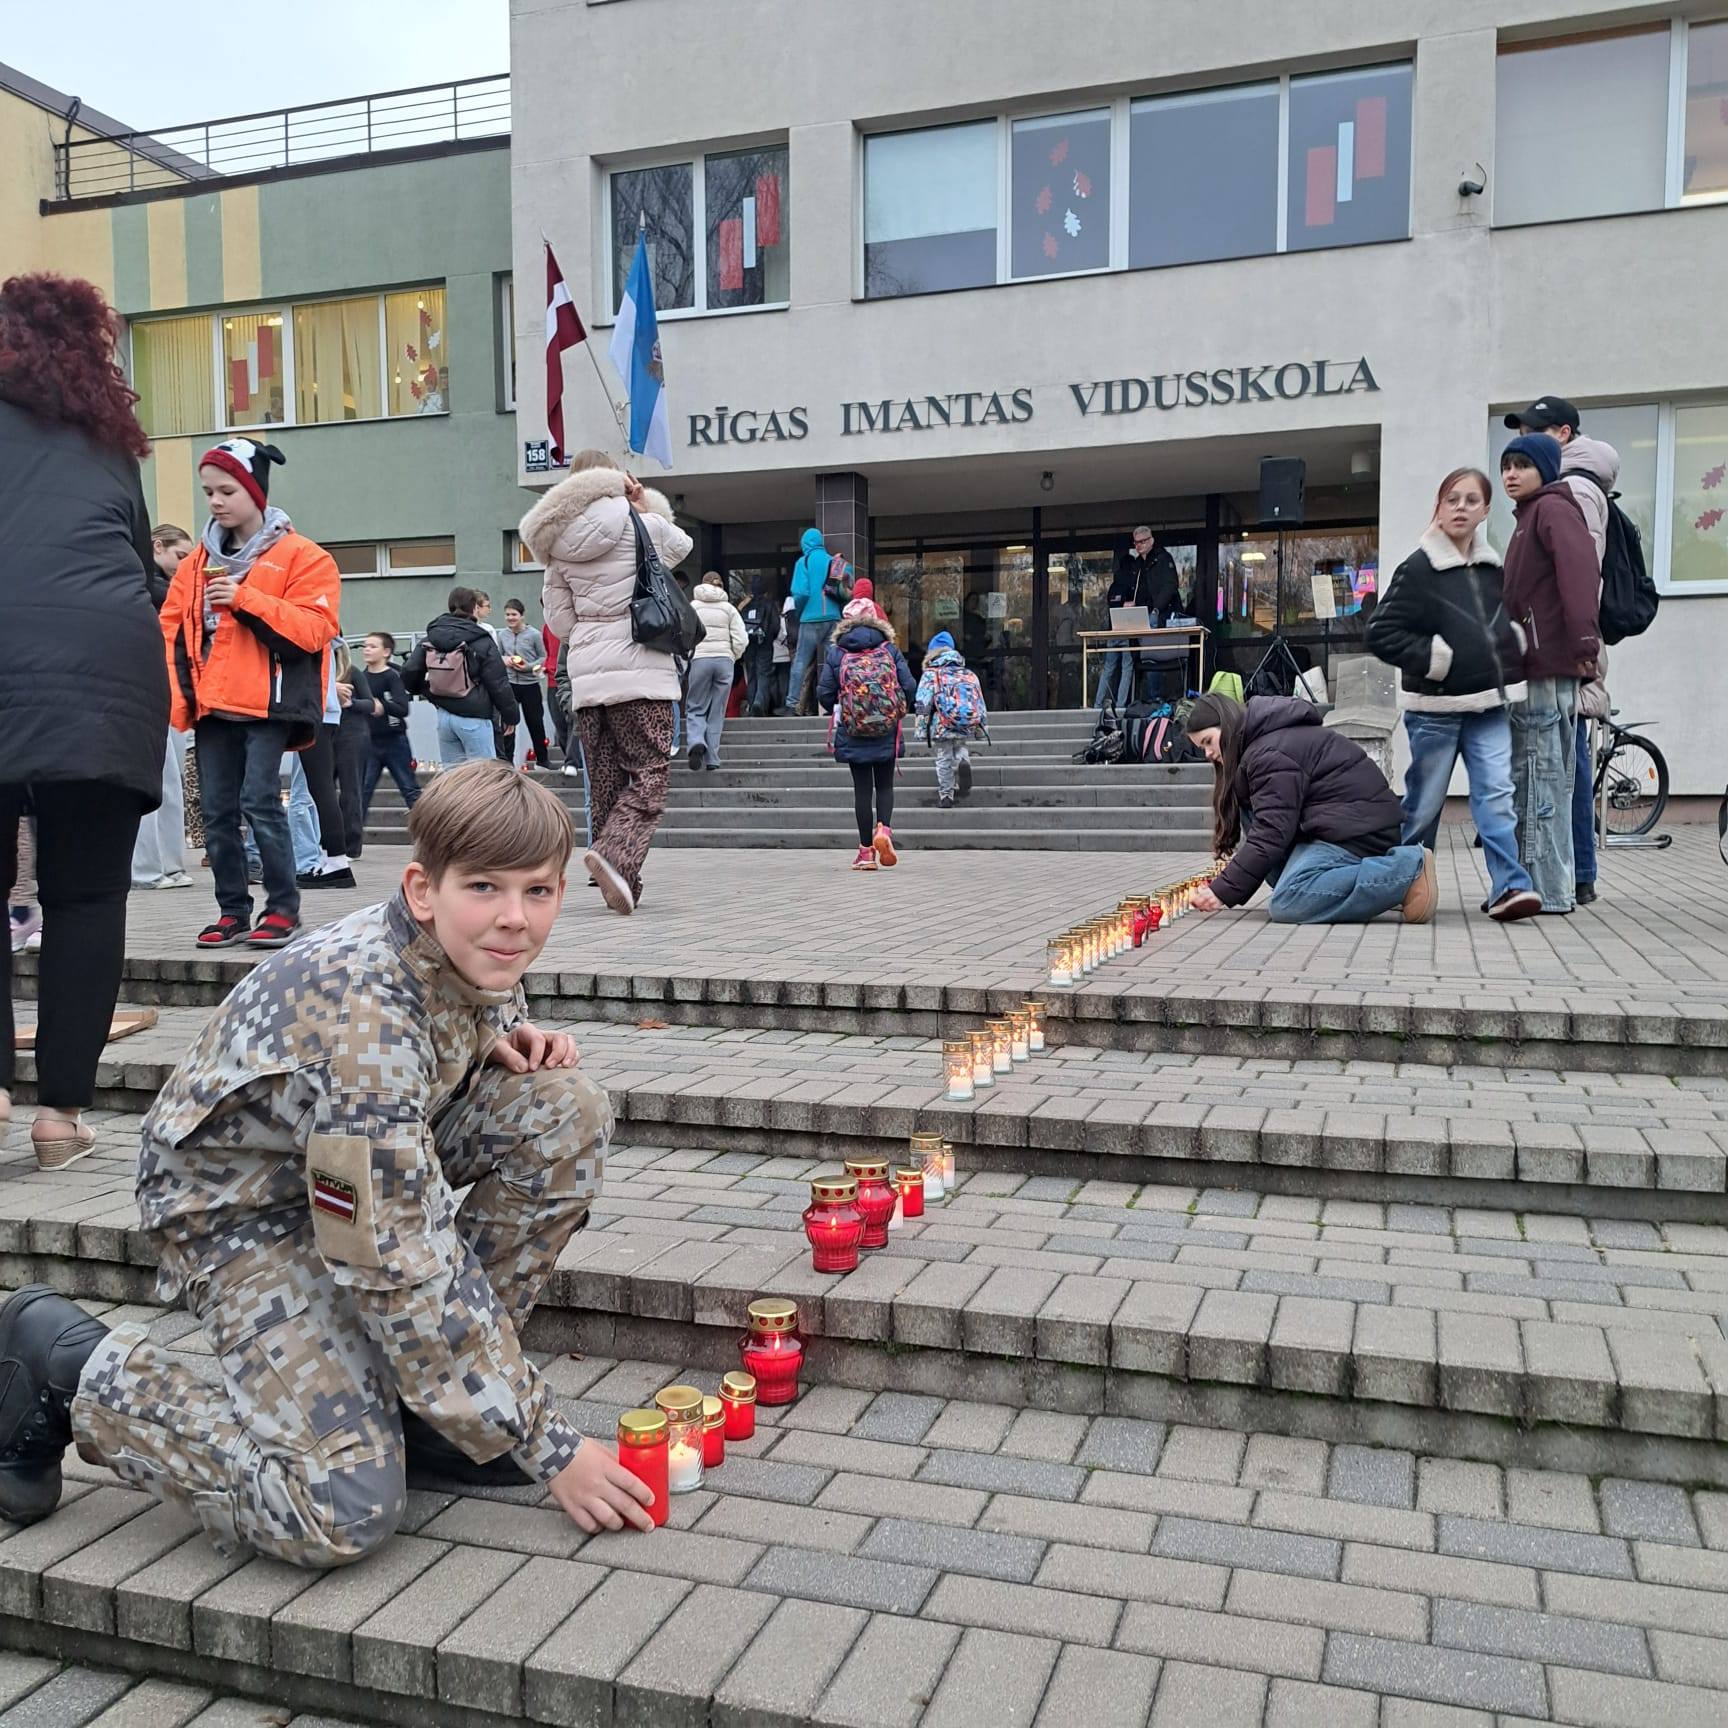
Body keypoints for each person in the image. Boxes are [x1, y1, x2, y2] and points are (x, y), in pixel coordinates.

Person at [0, 762, 655, 1557]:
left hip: (340, 1177)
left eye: (538, 892)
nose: (515, 919)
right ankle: (72, 1370)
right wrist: (552, 1448)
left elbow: (439, 1043)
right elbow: (394, 1258)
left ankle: (435, 1416)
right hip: (241, 1214)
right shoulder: (367, 1022)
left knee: (563, 1110)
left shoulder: (462, 950)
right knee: (338, 1505)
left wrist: (492, 1040)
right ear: (422, 890)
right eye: (483, 888)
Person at [0, 271, 170, 1168]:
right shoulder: (109, 445)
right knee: (88, 896)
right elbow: (142, 570)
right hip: (108, 672)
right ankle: (60, 1117)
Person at [161, 434, 339, 951]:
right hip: (213, 705)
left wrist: (245, 599)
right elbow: (170, 625)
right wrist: (181, 697)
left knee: (261, 801)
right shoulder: (195, 562)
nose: (215, 501)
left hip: (268, 702)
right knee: (217, 810)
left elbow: (314, 628)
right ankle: (232, 910)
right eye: (208, 492)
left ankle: (283, 908)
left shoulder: (303, 556)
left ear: (255, 492)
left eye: (226, 491)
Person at [521, 449, 692, 915]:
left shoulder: (554, 548)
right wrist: (644, 503)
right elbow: (681, 546)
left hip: (590, 680)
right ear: (615, 477)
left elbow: (558, 623)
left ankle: (621, 878)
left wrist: (593, 636)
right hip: (642, 674)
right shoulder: (637, 523)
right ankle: (615, 856)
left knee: (606, 778)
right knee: (650, 772)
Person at [1367, 467, 1541, 922]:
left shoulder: (1494, 568)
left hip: (1489, 706)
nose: (1460, 507)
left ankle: (1510, 887)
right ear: (1439, 509)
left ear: (1485, 510)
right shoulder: (1419, 568)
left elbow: (1510, 618)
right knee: (1423, 807)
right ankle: (1401, 885)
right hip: (1435, 711)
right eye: (1451, 499)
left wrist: (1513, 645)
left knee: (1497, 796)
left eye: (1470, 500)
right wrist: (1434, 658)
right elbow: (1380, 632)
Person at [1504, 397, 1620, 907]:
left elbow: (1580, 577)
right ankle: (1552, 887)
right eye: (1505, 465)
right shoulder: (1533, 514)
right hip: (1544, 664)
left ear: (1548, 465)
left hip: (1547, 667)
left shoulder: (1552, 508)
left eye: (1522, 465)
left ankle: (1543, 890)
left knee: (1538, 780)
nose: (1510, 475)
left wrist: (1583, 646)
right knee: (1547, 778)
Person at [1184, 692, 1437, 925]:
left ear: (1226, 726)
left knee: (1289, 900)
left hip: (1357, 833)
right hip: (1340, 826)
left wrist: (1223, 889)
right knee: (1278, 875)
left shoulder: (1269, 752)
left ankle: (1406, 870)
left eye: (1208, 741)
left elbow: (1271, 832)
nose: (1207, 753)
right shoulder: (1264, 744)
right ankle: (1382, 890)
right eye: (1201, 748)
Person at [817, 595, 917, 871]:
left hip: (853, 729)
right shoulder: (888, 649)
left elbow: (824, 691)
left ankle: (865, 853)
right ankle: (883, 830)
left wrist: (842, 707)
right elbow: (909, 684)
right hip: (886, 727)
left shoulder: (837, 652)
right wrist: (898, 709)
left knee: (862, 790)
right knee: (885, 785)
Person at [131, 525, 196, 891]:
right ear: (158, 546)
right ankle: (148, 869)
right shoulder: (148, 587)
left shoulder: (164, 589)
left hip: (170, 696)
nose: (182, 564)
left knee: (171, 783)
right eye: (179, 555)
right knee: (155, 782)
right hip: (151, 694)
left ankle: (168, 866)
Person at [402, 587, 520, 768]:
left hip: (444, 717)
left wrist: (429, 692)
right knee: (484, 779)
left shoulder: (431, 637)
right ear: (474, 608)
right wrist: (511, 716)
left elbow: (409, 672)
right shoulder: (481, 639)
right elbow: (498, 683)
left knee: (454, 782)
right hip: (475, 717)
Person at [1096, 526, 1181, 711]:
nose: (1139, 545)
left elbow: (1170, 586)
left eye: (1143, 541)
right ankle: (1145, 701)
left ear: (1151, 540)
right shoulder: (1137, 566)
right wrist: (1129, 604)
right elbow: (1134, 590)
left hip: (1159, 616)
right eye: (1136, 542)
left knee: (1154, 658)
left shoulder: (1163, 559)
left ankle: (1155, 700)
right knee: (1141, 659)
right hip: (1140, 617)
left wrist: (1157, 610)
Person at [915, 631, 987, 810]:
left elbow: (923, 703)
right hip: (965, 720)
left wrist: (921, 730)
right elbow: (979, 702)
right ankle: (964, 759)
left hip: (942, 722)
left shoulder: (931, 674)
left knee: (944, 757)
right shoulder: (968, 673)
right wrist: (981, 729)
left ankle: (946, 794)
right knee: (960, 745)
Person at [686, 573, 748, 771]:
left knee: (696, 706)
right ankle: (712, 758)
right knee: (717, 710)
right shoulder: (728, 608)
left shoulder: (692, 607)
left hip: (700, 659)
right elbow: (741, 639)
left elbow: (684, 633)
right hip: (724, 661)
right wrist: (733, 656)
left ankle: (696, 740)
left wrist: (688, 654)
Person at [360, 632, 420, 818]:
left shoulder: (392, 677)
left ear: (386, 652)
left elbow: (403, 708)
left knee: (409, 788)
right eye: (365, 646)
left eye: (373, 646)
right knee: (362, 792)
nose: (367, 650)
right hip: (369, 743)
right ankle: (351, 842)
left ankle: (429, 832)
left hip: (395, 741)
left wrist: (382, 706)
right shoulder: (360, 678)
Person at [786, 528, 843, 715]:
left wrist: (801, 612)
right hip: (833, 617)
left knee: (800, 662)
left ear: (804, 544)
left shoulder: (803, 562)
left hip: (810, 618)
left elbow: (800, 592)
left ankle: (792, 704)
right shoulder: (834, 562)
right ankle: (840, 701)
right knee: (838, 662)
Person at [499, 600, 552, 770]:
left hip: (530, 684)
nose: (510, 618)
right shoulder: (502, 635)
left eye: (514, 614)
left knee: (535, 722)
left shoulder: (534, 634)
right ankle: (507, 762)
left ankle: (542, 759)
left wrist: (527, 666)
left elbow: (543, 657)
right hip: (510, 685)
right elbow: (498, 656)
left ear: (522, 615)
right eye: (507, 614)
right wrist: (505, 660)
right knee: (509, 723)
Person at [772, 594, 796, 715]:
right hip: (786, 655)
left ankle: (779, 705)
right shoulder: (793, 620)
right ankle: (784, 704)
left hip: (776, 655)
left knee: (778, 682)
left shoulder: (779, 619)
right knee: (785, 682)